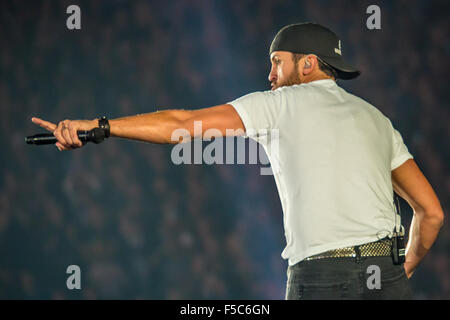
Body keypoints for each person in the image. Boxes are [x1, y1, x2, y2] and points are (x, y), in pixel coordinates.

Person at [31, 23, 444, 299]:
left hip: (321, 278)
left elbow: (184, 124)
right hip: (384, 273)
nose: (269, 74)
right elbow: (431, 213)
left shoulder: (279, 105)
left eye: (276, 62)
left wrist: (100, 126)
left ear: (308, 63)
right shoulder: (377, 119)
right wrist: (400, 270)